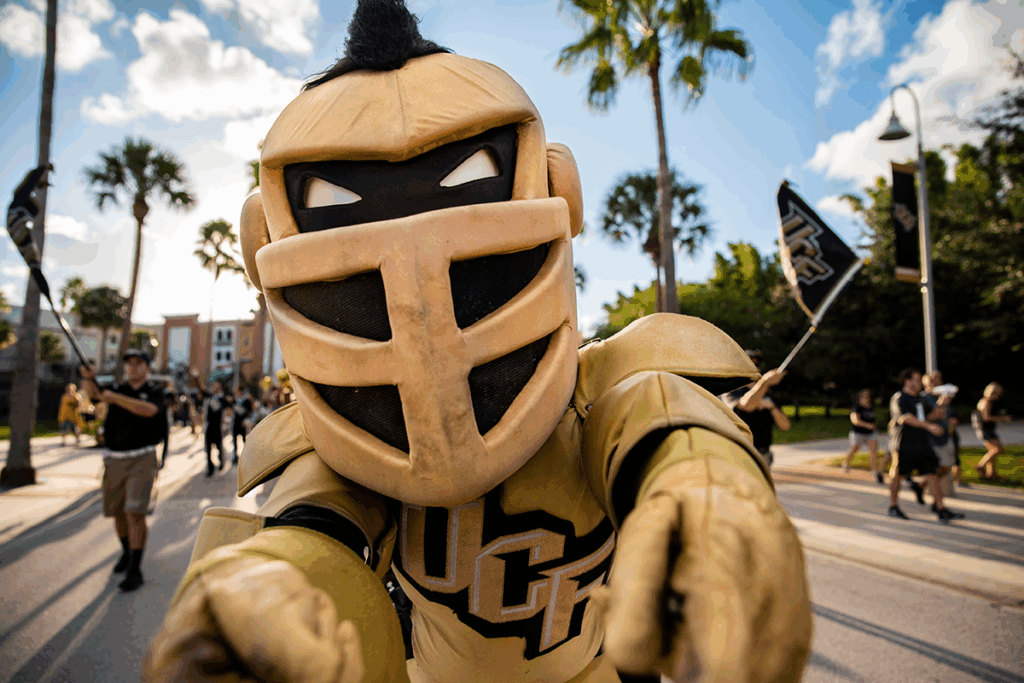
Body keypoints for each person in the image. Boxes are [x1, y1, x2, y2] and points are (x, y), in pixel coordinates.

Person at [145, 4, 813, 682]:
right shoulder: (341, 448)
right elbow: (319, 533)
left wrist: (701, 476)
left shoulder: (604, 390)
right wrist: (272, 586)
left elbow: (646, 410)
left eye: (461, 187)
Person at [80, 350, 167, 592]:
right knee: (117, 513)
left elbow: (149, 410)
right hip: (114, 460)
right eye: (129, 364)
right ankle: (127, 551)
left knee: (134, 512)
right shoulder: (116, 388)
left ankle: (135, 568)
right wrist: (88, 377)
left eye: (139, 364)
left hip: (142, 458)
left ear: (148, 368)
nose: (133, 368)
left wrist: (115, 398)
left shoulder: (155, 392)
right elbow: (95, 395)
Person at [887, 368, 964, 523]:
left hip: (923, 443)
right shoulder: (899, 398)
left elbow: (931, 416)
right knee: (898, 474)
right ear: (907, 381)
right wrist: (929, 426)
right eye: (916, 380)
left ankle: (940, 509)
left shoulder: (921, 399)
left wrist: (942, 403)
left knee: (932, 474)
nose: (920, 383)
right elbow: (905, 418)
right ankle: (893, 506)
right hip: (904, 443)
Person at [722, 349, 791, 467]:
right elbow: (746, 406)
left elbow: (785, 426)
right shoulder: (731, 389)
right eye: (749, 364)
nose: (754, 368)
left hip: (763, 454)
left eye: (756, 365)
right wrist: (765, 382)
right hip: (739, 453)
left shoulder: (768, 393)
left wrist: (772, 407)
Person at [921, 371, 957, 498]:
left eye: (938, 380)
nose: (936, 383)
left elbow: (950, 414)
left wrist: (952, 419)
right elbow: (927, 418)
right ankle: (928, 489)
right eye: (932, 381)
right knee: (936, 466)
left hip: (945, 437)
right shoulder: (922, 399)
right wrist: (941, 404)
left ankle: (921, 486)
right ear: (925, 383)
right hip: (930, 439)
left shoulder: (943, 396)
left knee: (947, 466)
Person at [191, 372, 229, 477]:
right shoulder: (209, 396)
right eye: (213, 386)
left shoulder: (222, 398)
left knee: (219, 446)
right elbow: (201, 388)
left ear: (219, 388)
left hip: (218, 426)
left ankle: (221, 461)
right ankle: (210, 468)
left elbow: (228, 408)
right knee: (208, 448)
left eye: (216, 386)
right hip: (209, 425)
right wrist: (196, 377)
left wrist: (226, 420)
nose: (214, 387)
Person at [973, 382, 1012, 479]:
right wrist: (1003, 419)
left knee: (992, 451)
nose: (998, 396)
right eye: (997, 393)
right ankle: (980, 466)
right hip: (986, 430)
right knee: (997, 450)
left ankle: (991, 473)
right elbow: (986, 418)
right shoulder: (987, 402)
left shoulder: (984, 401)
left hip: (985, 429)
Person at [843, 389, 883, 483]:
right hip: (858, 432)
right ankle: (846, 462)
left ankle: (875, 472)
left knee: (873, 451)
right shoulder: (857, 407)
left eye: (868, 396)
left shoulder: (870, 407)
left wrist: (873, 427)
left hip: (870, 433)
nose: (867, 398)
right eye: (864, 396)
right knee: (855, 448)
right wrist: (867, 425)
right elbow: (855, 420)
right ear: (860, 397)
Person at [230, 386, 253, 464]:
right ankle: (235, 456)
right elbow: (231, 410)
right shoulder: (235, 400)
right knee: (234, 440)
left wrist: (246, 420)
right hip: (235, 422)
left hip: (242, 423)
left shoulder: (246, 400)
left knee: (244, 440)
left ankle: (245, 456)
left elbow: (250, 412)